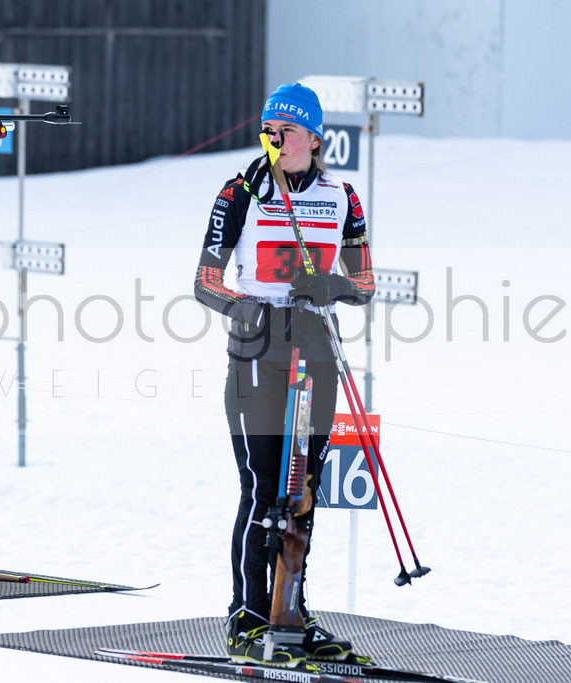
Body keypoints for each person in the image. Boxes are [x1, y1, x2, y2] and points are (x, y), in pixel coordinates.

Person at [193, 83, 375, 667]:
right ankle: (246, 616)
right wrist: (241, 306)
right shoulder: (241, 191)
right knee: (262, 488)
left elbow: (367, 283)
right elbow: (204, 280)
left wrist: (335, 286)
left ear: (314, 138)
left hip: (316, 349)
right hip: (257, 351)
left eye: (287, 130)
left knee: (301, 493)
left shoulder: (341, 195)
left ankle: (287, 611)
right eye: (267, 128)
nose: (274, 138)